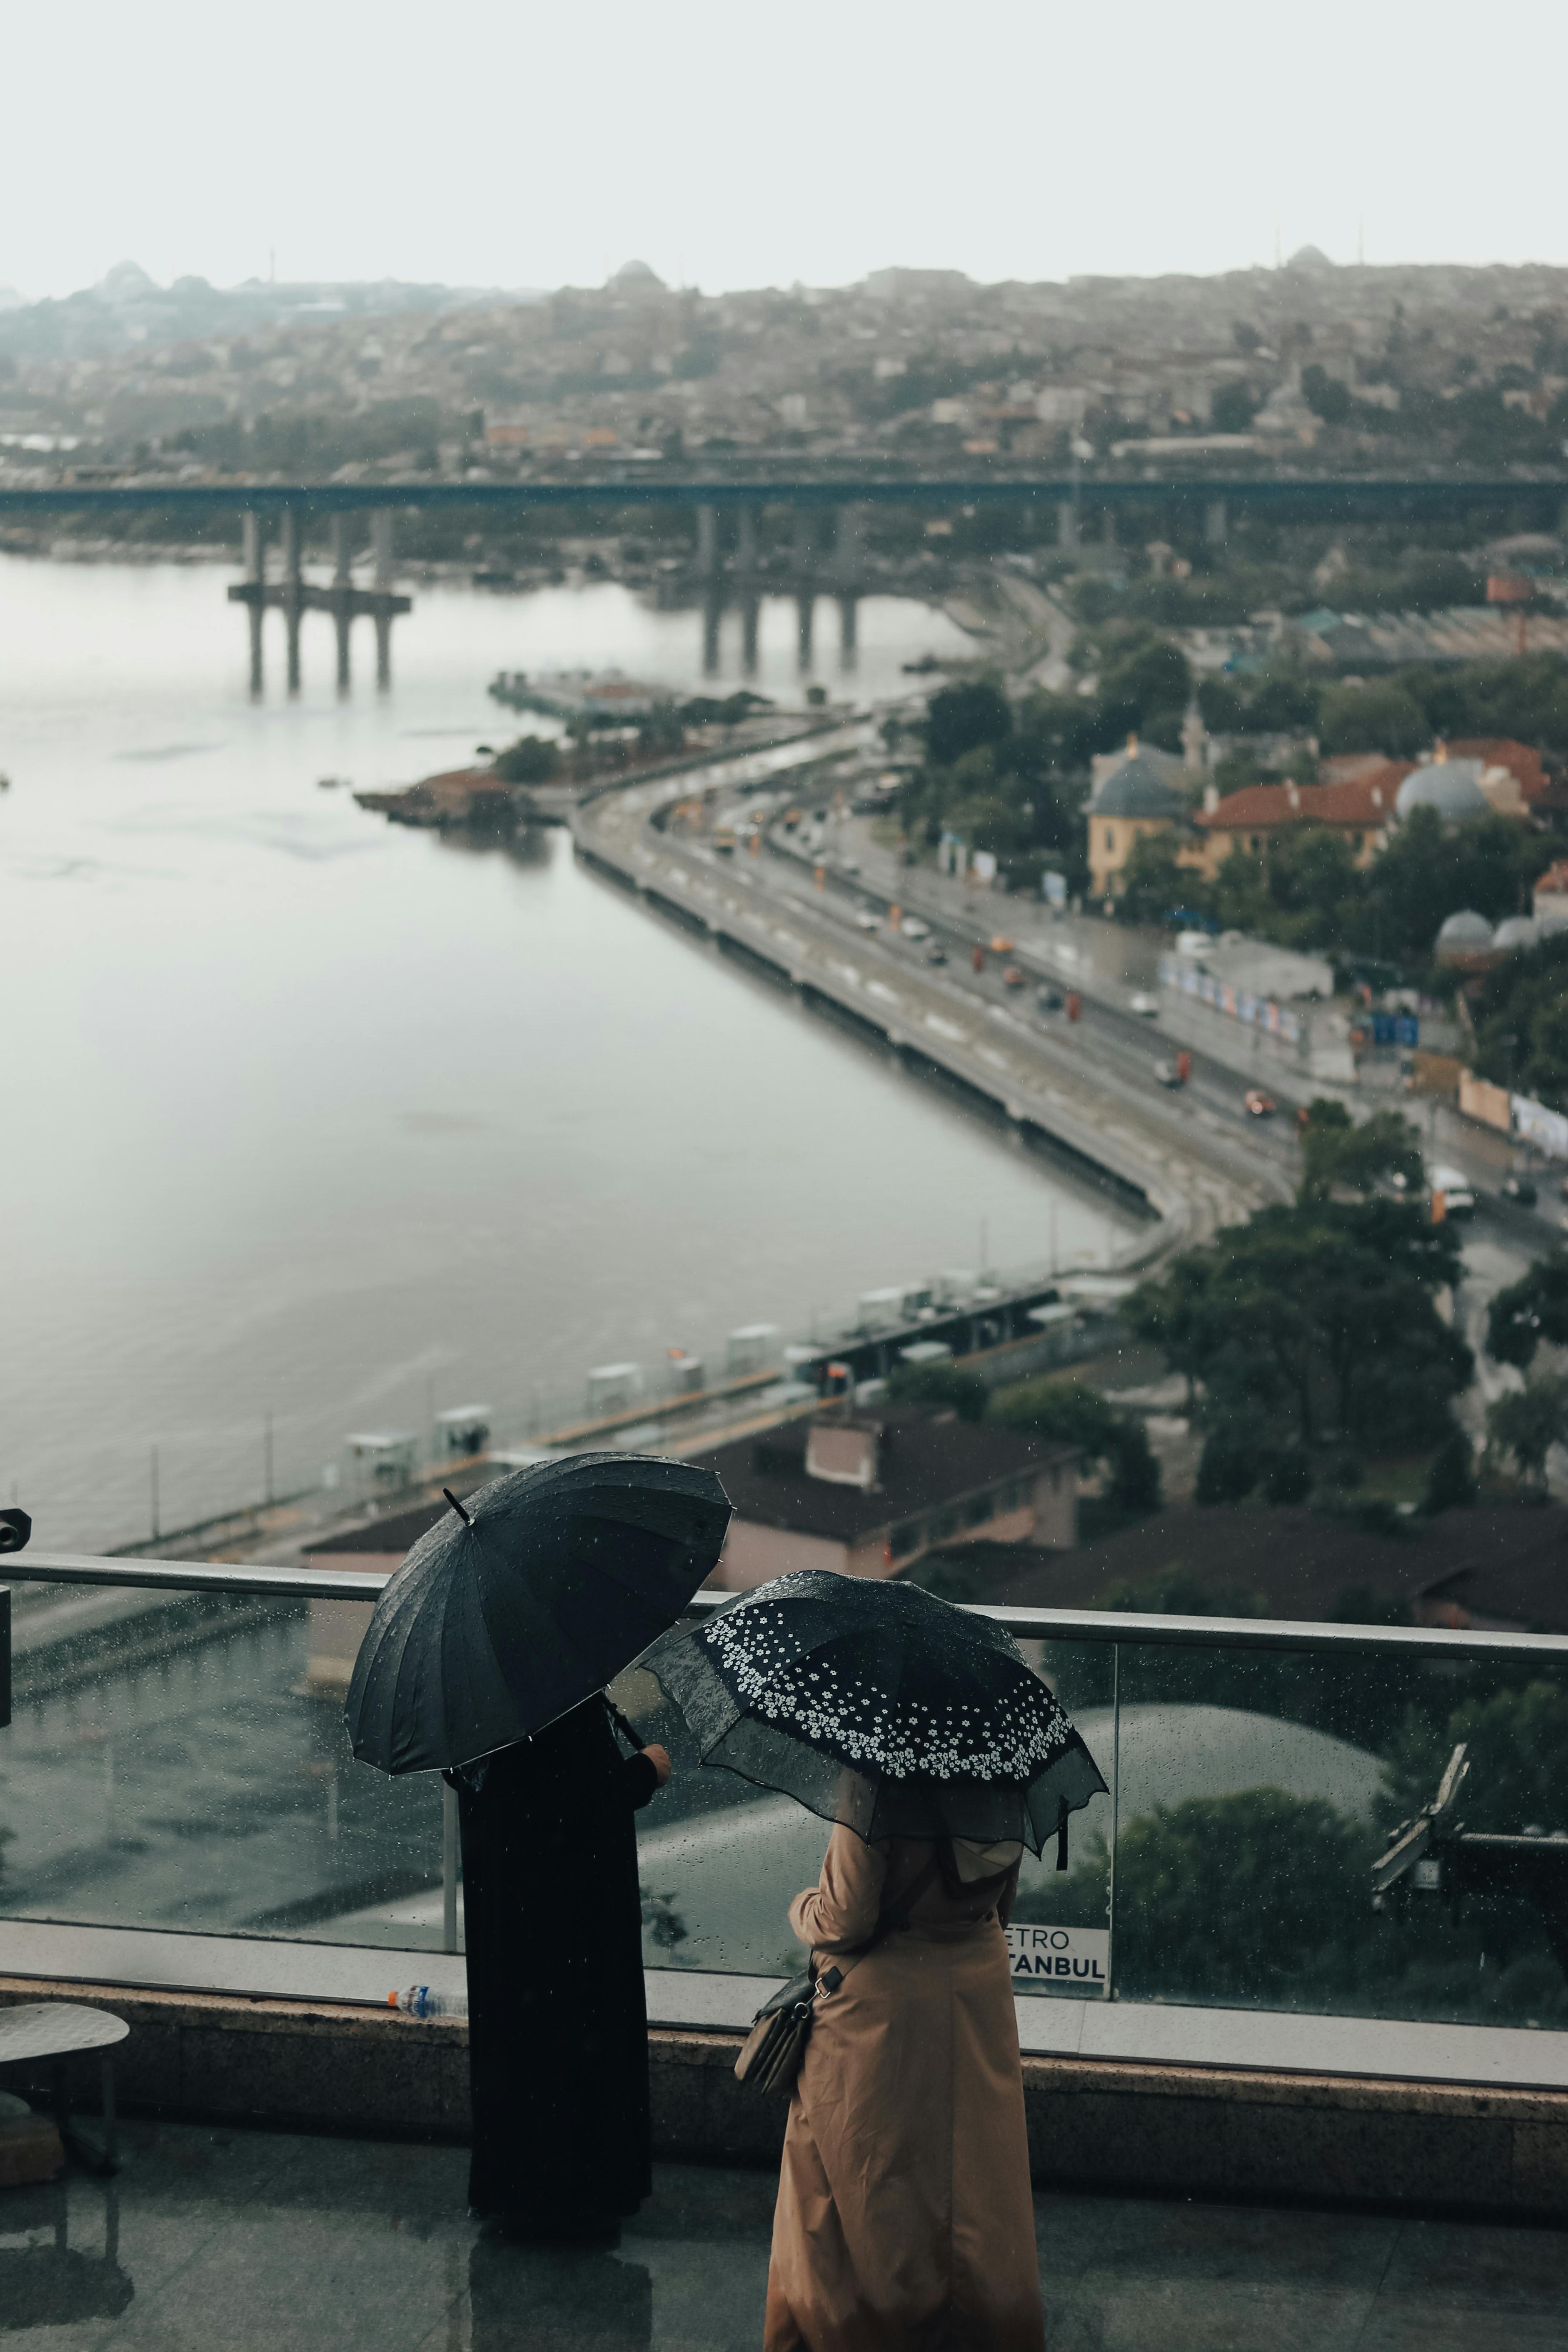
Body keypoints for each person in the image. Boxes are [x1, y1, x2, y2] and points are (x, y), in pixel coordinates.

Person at [764, 1822, 1045, 2352]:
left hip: (879, 2012)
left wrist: (802, 1904)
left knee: (851, 2191)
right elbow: (999, 1904)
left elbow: (843, 1918)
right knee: (976, 2184)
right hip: (974, 1995)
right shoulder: (1001, 1773)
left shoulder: (875, 1778)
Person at [448, 1694, 671, 2240]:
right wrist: (645, 1771)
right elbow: (576, 1806)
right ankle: (575, 2191)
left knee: (521, 2041)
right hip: (571, 1915)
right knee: (575, 2037)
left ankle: (519, 2185)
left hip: (507, 1905)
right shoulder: (559, 1698)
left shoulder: (480, 1701)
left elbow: (486, 1785)